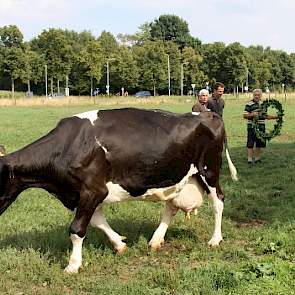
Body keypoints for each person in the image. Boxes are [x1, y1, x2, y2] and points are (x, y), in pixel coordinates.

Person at [243, 89, 279, 164]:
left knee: (259, 143)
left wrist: (276, 117)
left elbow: (266, 116)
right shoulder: (249, 104)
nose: (256, 96)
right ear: (253, 95)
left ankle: (257, 158)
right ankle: (249, 159)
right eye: (255, 95)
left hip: (261, 126)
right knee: (250, 143)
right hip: (251, 127)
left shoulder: (263, 104)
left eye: (258, 95)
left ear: (261, 96)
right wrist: (252, 114)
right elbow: (245, 115)